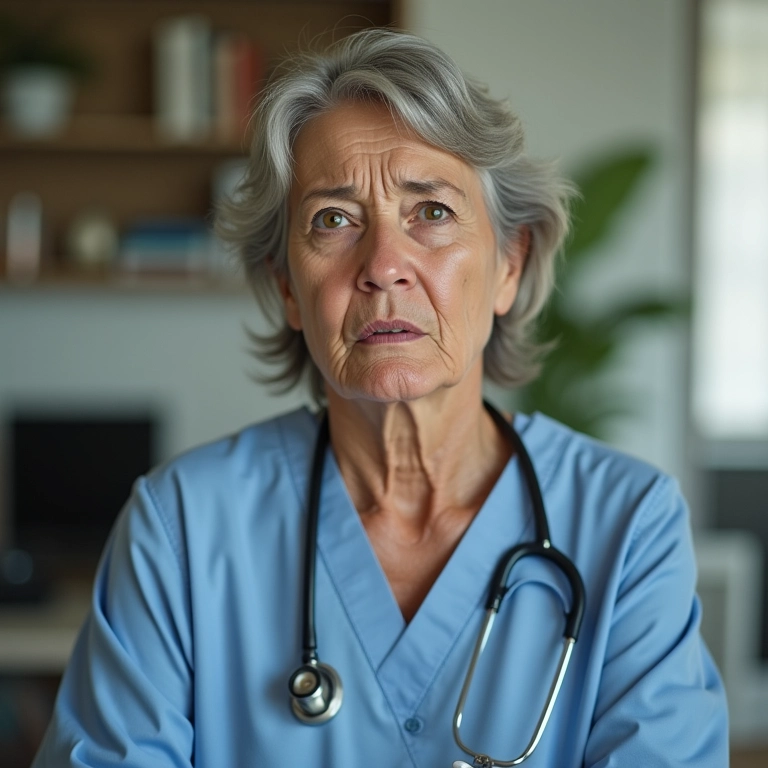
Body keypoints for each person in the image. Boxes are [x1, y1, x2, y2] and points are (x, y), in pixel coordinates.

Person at [33, 28, 728, 767]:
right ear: (286, 287)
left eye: (431, 212)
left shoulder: (629, 525)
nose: (384, 264)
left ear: (509, 264)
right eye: (333, 220)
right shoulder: (181, 526)